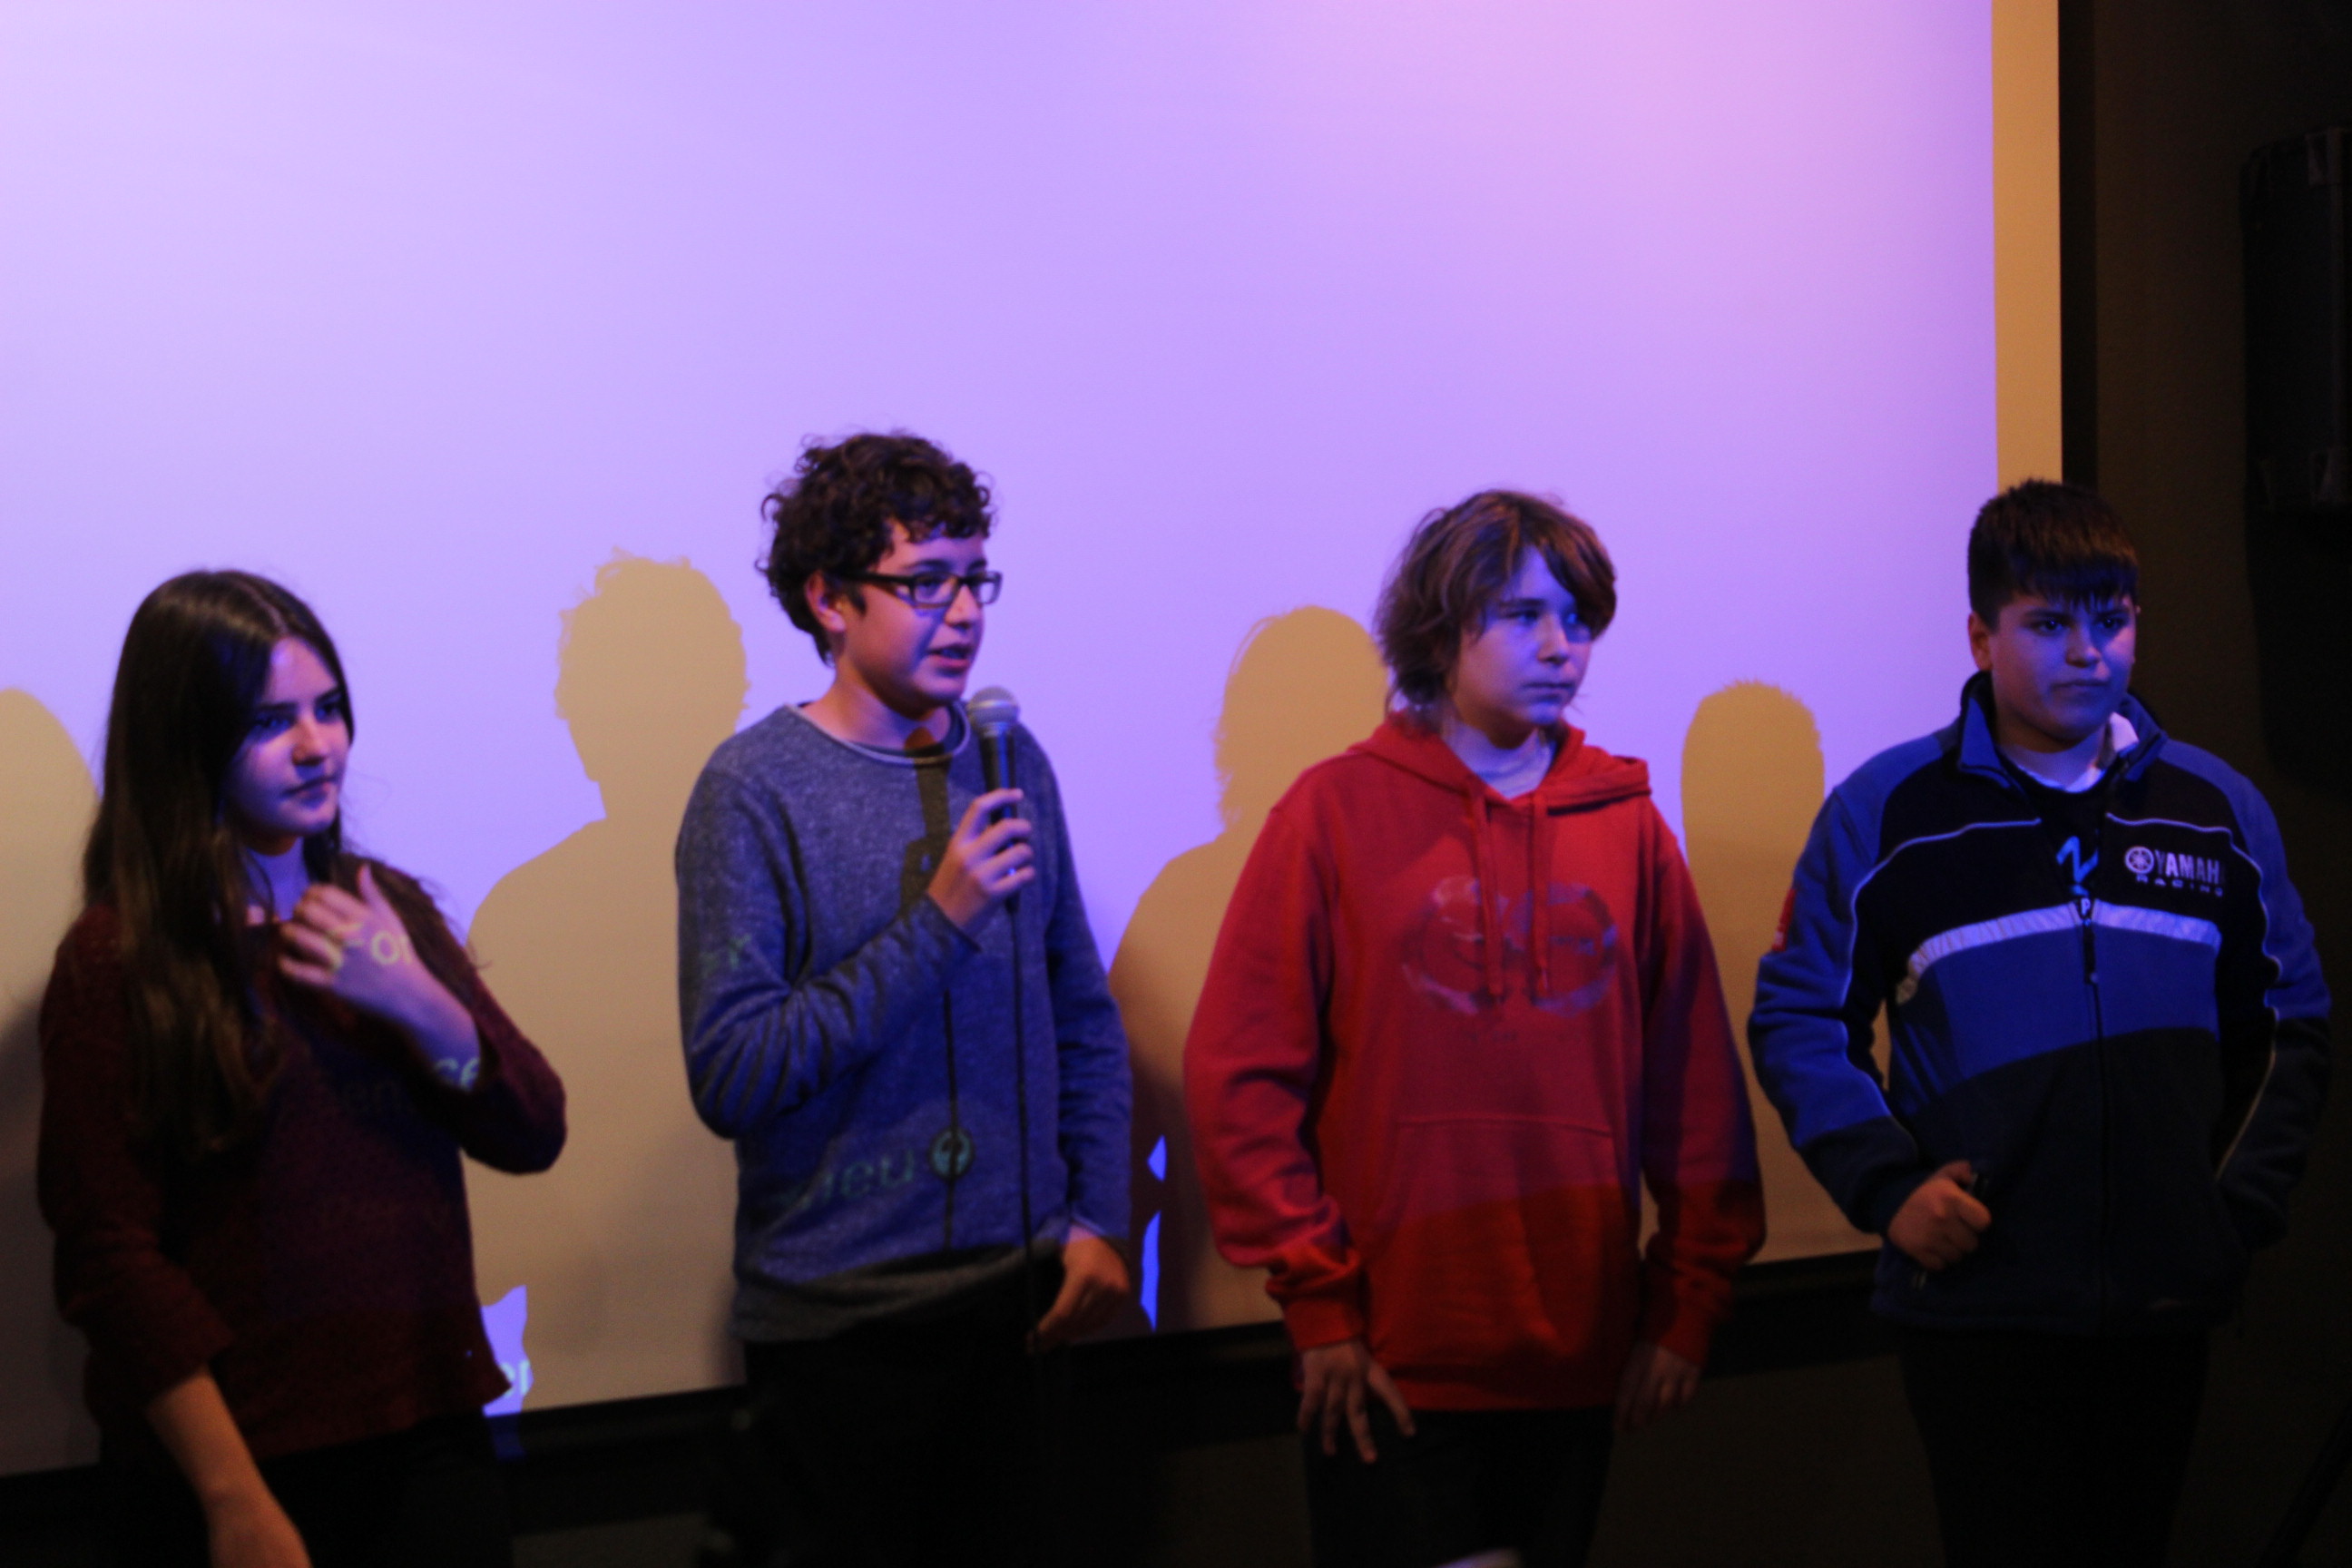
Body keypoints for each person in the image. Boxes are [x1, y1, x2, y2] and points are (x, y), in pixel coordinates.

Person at [1748, 480, 2330, 1568]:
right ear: (1982, 637)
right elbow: (1799, 1017)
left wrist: (2230, 1210)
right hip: (1978, 1307)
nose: (2087, 652)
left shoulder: (2217, 810)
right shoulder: (1889, 810)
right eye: (2049, 623)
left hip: (2163, 1303)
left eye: (2111, 619)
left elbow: (2291, 1027)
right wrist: (1888, 1187)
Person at [1185, 491, 1766, 1568]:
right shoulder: (1332, 813)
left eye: (1578, 620)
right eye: (1523, 614)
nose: (1560, 646)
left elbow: (1694, 1087)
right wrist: (1318, 1305)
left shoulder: (1628, 826)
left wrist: (1688, 1303)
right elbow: (1241, 1079)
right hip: (1387, 1357)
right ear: (1443, 627)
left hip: (1582, 1357)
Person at [37, 571, 567, 1568]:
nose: (319, 745)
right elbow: (110, 1257)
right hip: (240, 1465)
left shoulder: (383, 911)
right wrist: (232, 1498)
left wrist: (418, 1000)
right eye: (270, 721)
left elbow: (533, 1128)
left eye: (329, 708)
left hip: (431, 1440)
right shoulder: (118, 959)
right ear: (187, 740)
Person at [674, 431, 1131, 1566]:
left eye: (975, 579)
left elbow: (1079, 1009)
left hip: (1021, 1307)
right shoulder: (753, 791)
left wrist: (1098, 1215)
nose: (963, 613)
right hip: (842, 1331)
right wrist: (940, 922)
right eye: (926, 582)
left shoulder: (1011, 761)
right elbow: (733, 1072)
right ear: (829, 600)